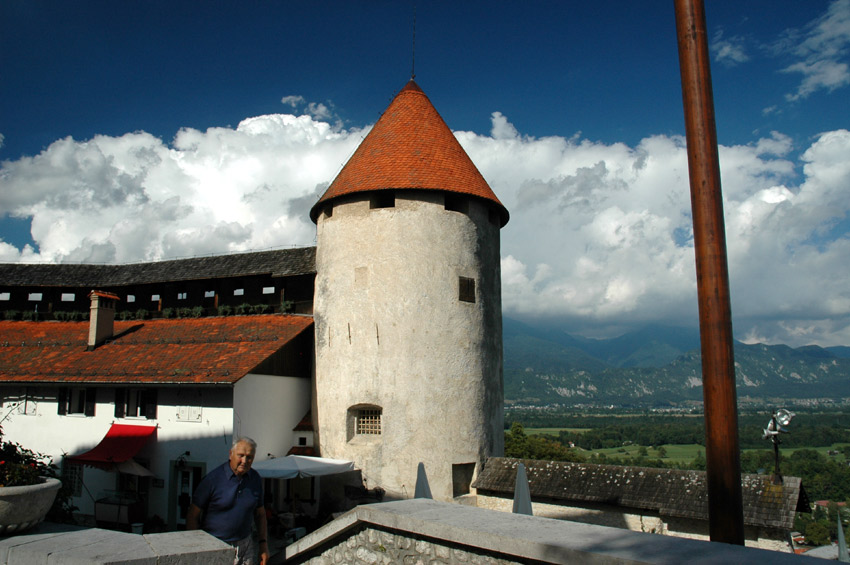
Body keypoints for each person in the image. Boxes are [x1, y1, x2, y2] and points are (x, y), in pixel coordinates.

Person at [187, 437, 269, 565]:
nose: (244, 461)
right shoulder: (212, 480)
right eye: (240, 455)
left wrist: (263, 545)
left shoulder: (255, 479)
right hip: (215, 545)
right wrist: (196, 548)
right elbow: (193, 515)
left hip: (245, 546)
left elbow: (260, 514)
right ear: (231, 454)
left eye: (249, 457)